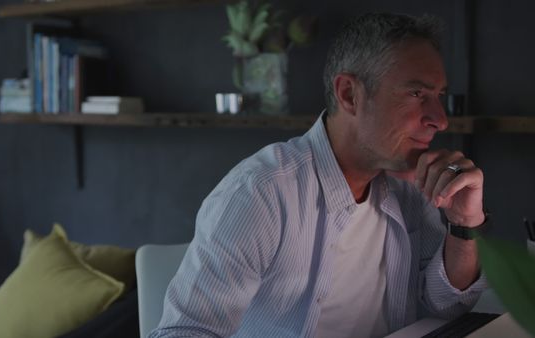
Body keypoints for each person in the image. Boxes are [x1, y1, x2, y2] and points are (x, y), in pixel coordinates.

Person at [150, 12, 488, 338]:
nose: (440, 119)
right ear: (349, 95)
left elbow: (448, 306)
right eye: (417, 94)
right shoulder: (261, 193)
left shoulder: (410, 187)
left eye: (439, 97)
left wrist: (462, 224)